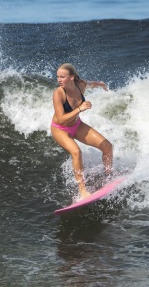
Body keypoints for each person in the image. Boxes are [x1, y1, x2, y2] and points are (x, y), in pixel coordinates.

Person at [51, 63, 113, 199]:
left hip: (77, 125)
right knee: (76, 152)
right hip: (60, 129)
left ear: (72, 77)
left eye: (62, 77)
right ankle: (82, 190)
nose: (59, 80)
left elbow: (92, 83)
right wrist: (79, 109)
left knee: (107, 146)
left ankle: (108, 176)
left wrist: (102, 84)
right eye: (57, 77)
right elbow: (61, 120)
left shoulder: (81, 85)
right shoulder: (58, 93)